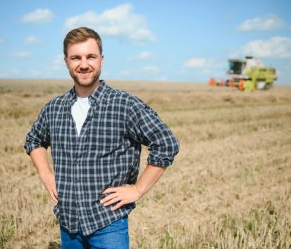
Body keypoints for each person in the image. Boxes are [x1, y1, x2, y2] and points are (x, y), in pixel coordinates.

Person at [24, 27, 179, 248]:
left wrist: (137, 189)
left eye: (91, 56)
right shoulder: (54, 108)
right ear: (66, 61)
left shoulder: (124, 104)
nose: (84, 64)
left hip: (108, 224)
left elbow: (166, 143)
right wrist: (46, 174)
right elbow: (34, 140)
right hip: (68, 224)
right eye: (76, 57)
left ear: (102, 60)